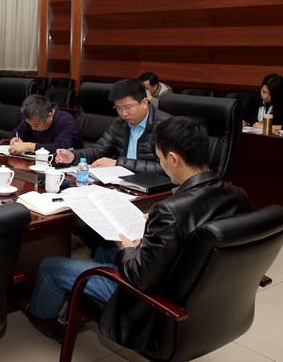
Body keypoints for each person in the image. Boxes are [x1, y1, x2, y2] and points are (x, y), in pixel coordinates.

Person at [27, 117, 251, 345]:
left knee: (50, 267)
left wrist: (127, 250)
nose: (161, 163)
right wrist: (157, 224)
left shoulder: (170, 211)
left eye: (160, 158)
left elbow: (139, 277)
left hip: (151, 299)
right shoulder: (238, 195)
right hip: (203, 294)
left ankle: (43, 318)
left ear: (174, 159)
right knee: (105, 248)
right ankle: (72, 316)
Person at [54, 79, 170, 174]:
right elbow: (99, 150)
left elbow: (165, 168)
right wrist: (74, 156)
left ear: (144, 103)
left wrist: (118, 164)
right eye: (118, 108)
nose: (124, 113)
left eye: (128, 107)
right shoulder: (120, 123)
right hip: (123, 182)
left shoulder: (166, 126)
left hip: (154, 186)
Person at [9, 95, 83, 155]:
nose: (33, 128)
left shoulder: (67, 122)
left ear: (49, 116)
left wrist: (29, 146)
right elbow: (17, 132)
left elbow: (61, 149)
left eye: (36, 124)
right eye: (29, 124)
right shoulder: (33, 118)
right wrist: (15, 139)